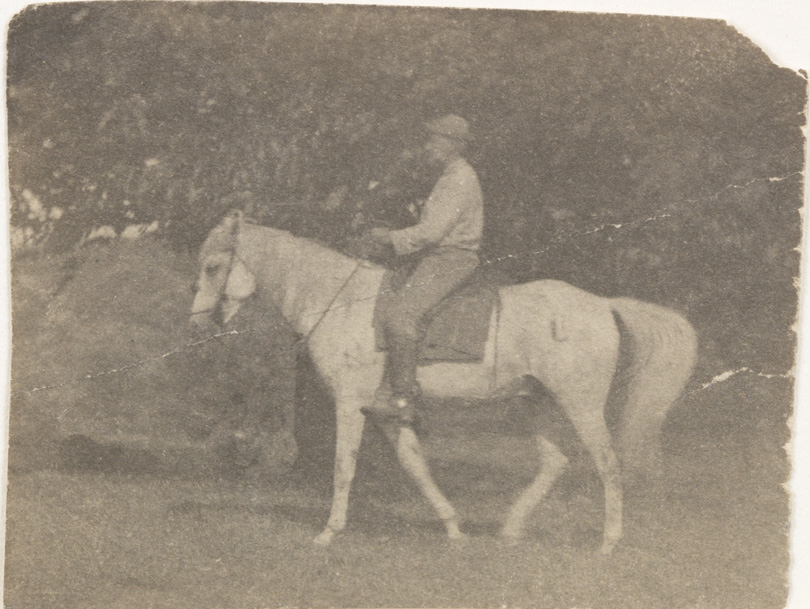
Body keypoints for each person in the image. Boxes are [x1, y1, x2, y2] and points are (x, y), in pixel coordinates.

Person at [361, 114, 484, 425]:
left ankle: (402, 399)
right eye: (429, 138)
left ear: (454, 145)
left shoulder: (458, 179)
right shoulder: (448, 175)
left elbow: (432, 232)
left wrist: (388, 238)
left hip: (450, 258)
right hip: (436, 255)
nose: (428, 145)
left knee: (400, 315)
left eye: (435, 139)